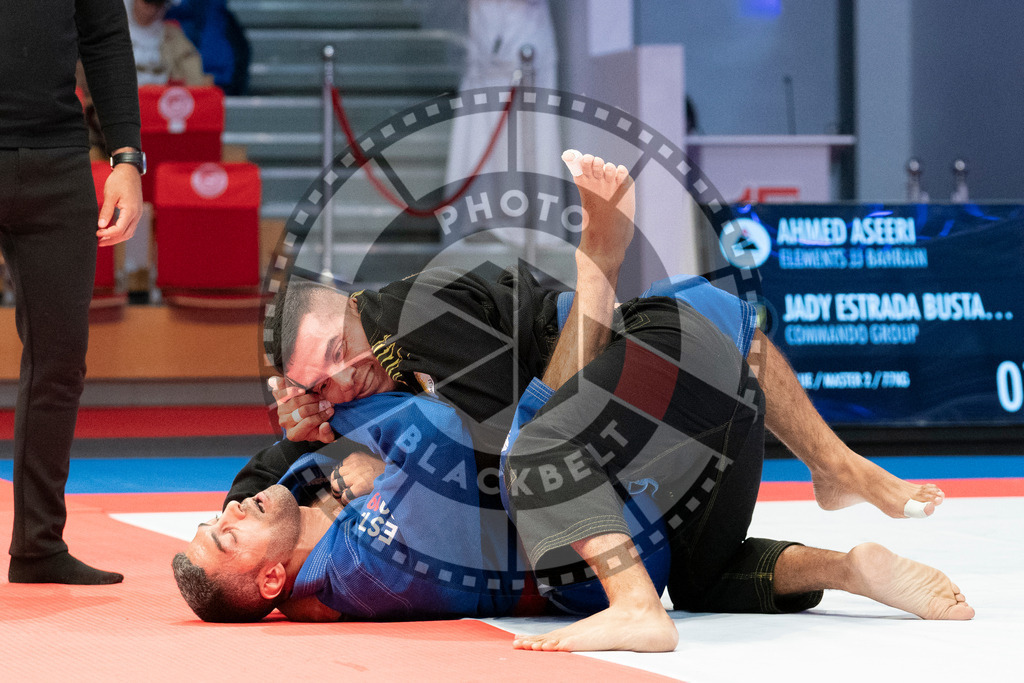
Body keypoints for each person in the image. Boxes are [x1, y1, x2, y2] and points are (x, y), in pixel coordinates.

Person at [176, 153, 972, 639]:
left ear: (359, 315)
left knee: (557, 427)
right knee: (702, 559)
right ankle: (846, 564)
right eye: (321, 380)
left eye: (343, 357)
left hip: (599, 375)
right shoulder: (359, 559)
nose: (342, 379)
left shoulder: (436, 317)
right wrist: (310, 436)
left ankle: (833, 469)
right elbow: (264, 493)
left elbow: (532, 415)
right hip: (630, 513)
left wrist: (598, 256)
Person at [1, 0, 144, 584]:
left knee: (60, 362)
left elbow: (106, 38)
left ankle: (38, 546)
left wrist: (127, 157)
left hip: (58, 163)